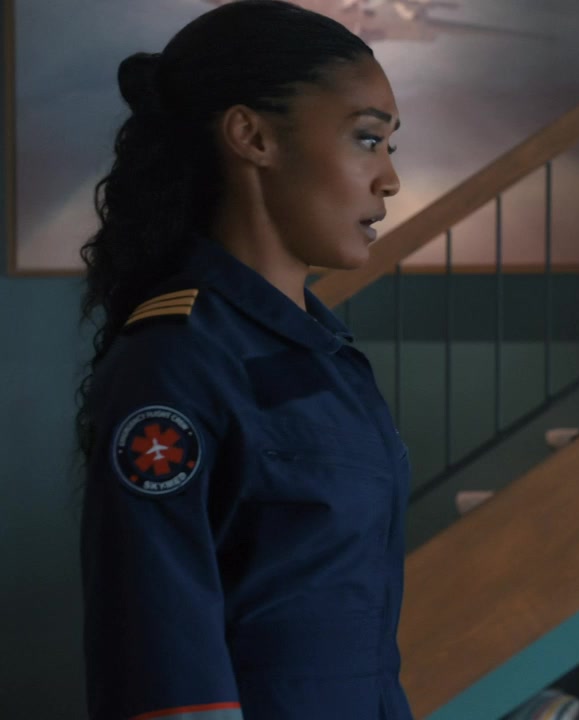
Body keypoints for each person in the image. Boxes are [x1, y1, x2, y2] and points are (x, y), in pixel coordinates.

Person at [76, 2, 410, 718]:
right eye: (366, 139)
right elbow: (164, 661)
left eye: (389, 146)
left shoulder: (329, 360)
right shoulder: (177, 362)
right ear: (252, 136)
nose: (389, 179)